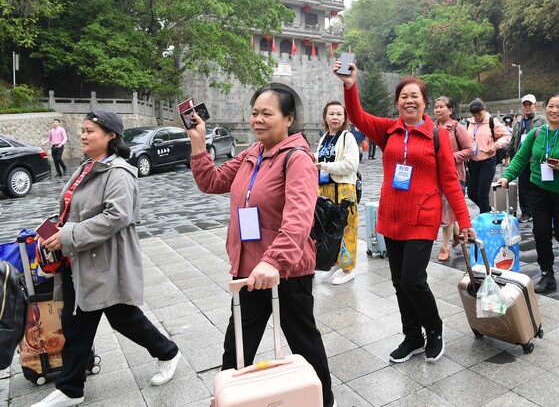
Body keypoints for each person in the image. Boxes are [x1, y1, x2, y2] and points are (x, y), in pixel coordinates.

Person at [187, 86, 335, 407]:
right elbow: (211, 181)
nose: (258, 119)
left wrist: (274, 261)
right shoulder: (251, 154)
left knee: (304, 344)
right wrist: (198, 142)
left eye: (267, 113)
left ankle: (323, 401)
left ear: (288, 119)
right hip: (247, 270)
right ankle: (230, 401)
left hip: (287, 273)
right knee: (237, 347)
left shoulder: (297, 159)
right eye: (255, 112)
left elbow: (298, 217)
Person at [33, 111, 180, 407]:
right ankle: (71, 388)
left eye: (90, 131)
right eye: (83, 131)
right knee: (77, 322)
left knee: (122, 318)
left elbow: (116, 216)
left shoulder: (118, 173)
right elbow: (71, 208)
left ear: (111, 135)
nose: (84, 136)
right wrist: (55, 229)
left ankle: (168, 353)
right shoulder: (87, 167)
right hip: (79, 260)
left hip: (104, 261)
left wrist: (68, 236)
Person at [332, 60, 475, 364]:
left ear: (424, 101)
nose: (409, 101)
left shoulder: (436, 136)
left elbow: (450, 181)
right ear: (397, 102)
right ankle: (412, 337)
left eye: (415, 96)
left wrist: (465, 222)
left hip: (423, 217)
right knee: (398, 282)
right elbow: (356, 116)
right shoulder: (388, 131)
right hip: (392, 216)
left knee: (413, 280)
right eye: (403, 97)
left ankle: (434, 329)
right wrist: (349, 85)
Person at [496, 93, 559, 293]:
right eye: (551, 106)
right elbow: (521, 157)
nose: (554, 110)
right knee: (540, 233)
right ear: (545, 108)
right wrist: (507, 176)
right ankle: (547, 275)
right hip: (539, 189)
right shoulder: (536, 133)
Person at [315, 101, 360, 285]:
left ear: (344, 118)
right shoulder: (324, 137)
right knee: (329, 228)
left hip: (343, 190)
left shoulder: (347, 137)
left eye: (339, 114)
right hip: (326, 188)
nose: (335, 117)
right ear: (325, 116)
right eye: (331, 114)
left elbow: (351, 165)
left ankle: (348, 268)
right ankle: (334, 261)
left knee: (346, 227)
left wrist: (324, 166)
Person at [433, 96, 473, 261]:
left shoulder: (457, 127)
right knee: (444, 209)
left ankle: (445, 246)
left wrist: (449, 157)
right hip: (435, 176)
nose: (438, 110)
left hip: (455, 175)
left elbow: (470, 150)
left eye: (442, 107)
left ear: (450, 110)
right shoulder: (430, 128)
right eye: (436, 107)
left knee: (447, 209)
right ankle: (456, 233)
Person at [465, 99, 511, 213]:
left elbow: (507, 136)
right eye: (474, 115)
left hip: (487, 161)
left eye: (479, 114)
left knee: (482, 194)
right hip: (473, 162)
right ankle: (488, 210)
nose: (477, 117)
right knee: (471, 193)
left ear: (484, 110)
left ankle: (484, 219)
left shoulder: (492, 121)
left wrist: (495, 146)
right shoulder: (469, 123)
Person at [508, 94, 546, 223]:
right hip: (523, 158)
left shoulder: (541, 120)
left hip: (537, 158)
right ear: (522, 106)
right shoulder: (518, 122)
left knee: (537, 185)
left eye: (530, 104)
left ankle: (538, 210)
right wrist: (509, 152)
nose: (528, 107)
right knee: (523, 187)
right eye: (525, 105)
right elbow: (514, 139)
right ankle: (526, 212)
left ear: (535, 105)